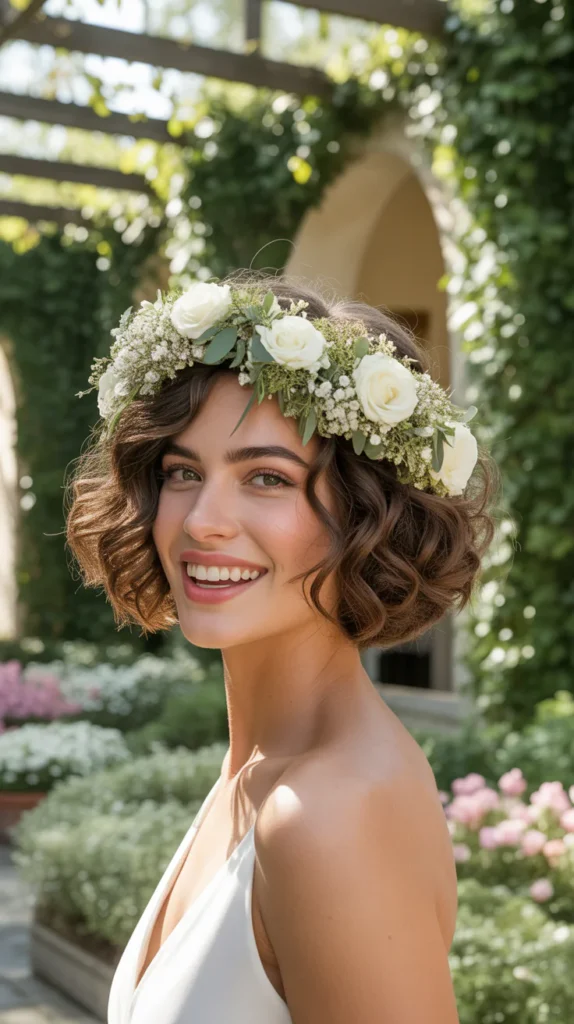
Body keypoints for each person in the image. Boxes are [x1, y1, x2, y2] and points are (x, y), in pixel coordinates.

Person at [66, 269, 498, 1024]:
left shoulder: (327, 814)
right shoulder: (260, 770)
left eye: (266, 476)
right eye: (182, 472)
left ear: (364, 515)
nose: (202, 520)